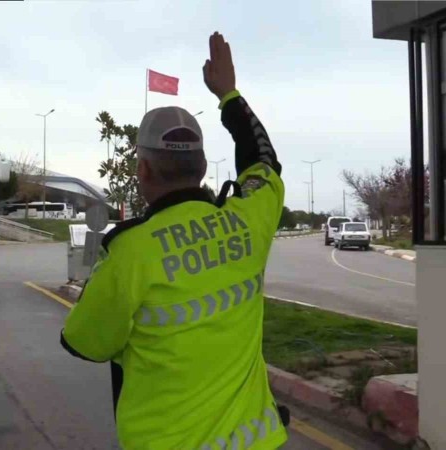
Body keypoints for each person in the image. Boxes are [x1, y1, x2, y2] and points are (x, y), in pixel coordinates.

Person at [60, 32, 288, 449]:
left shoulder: (130, 253)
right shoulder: (248, 221)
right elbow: (263, 161)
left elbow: (82, 343)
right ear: (202, 166)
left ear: (143, 171)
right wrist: (228, 94)